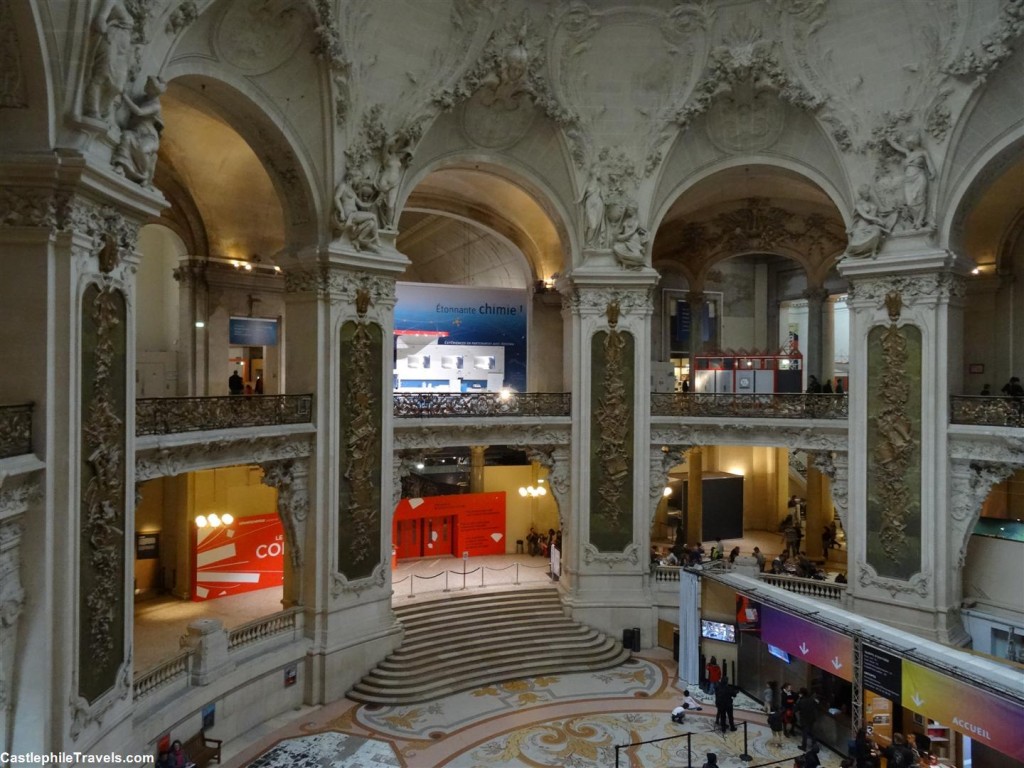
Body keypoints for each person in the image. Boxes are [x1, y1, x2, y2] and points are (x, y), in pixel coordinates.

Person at [112, 75, 166, 187]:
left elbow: (139, 112)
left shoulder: (156, 105)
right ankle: (121, 166)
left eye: (149, 85)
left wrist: (124, 95)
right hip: (135, 132)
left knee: (142, 148)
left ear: (154, 90)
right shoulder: (143, 98)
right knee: (126, 137)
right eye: (147, 83)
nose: (146, 86)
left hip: (149, 136)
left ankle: (144, 174)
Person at [888, 130, 935, 230]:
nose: (907, 145)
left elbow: (929, 163)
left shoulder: (923, 152)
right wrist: (891, 141)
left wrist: (932, 171)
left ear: (913, 143)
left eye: (908, 143)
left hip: (919, 177)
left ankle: (919, 221)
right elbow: (898, 147)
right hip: (908, 180)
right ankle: (915, 218)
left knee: (920, 199)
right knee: (910, 202)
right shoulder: (908, 152)